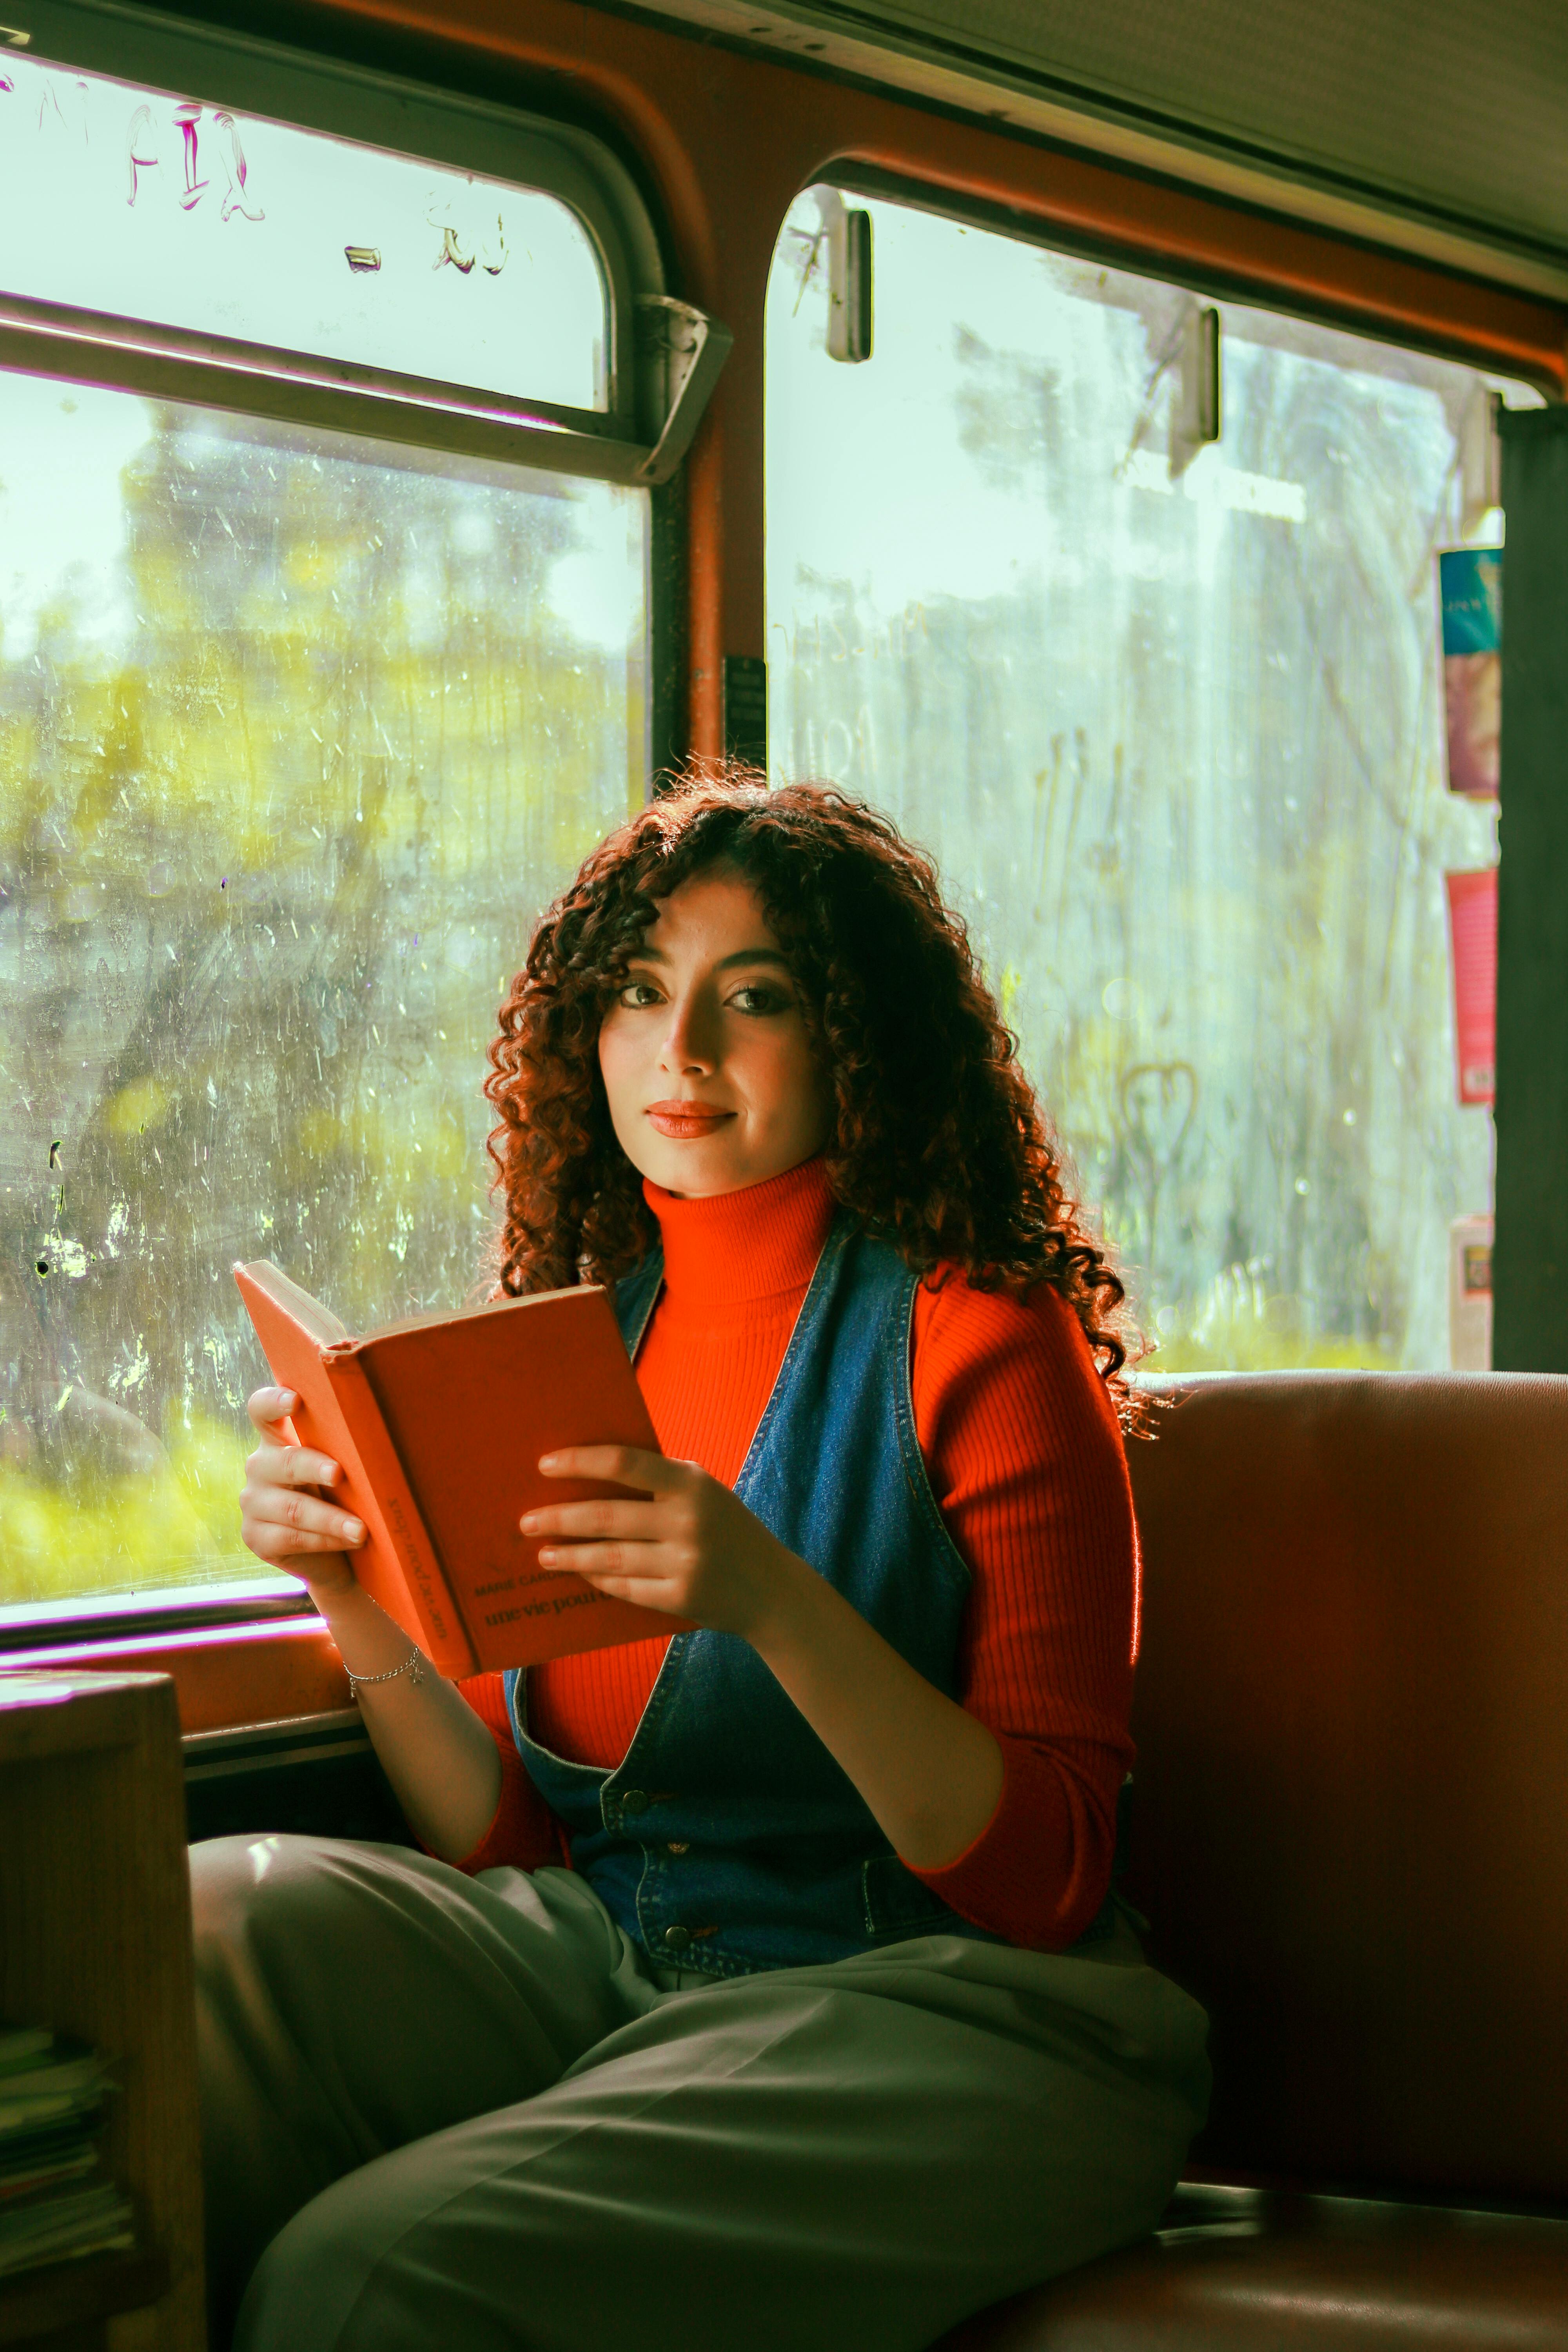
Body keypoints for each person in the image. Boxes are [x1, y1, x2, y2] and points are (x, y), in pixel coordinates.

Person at [194, 775, 1209, 2352]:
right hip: (617, 1959)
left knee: (359, 2285)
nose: (682, 1055)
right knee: (204, 1930)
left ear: (855, 1035)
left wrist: (771, 1599)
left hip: (953, 2015)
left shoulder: (980, 1342)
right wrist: (346, 1586)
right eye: (638, 996)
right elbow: (518, 1841)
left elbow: (1046, 1876)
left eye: (756, 999)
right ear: (579, 1038)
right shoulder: (580, 1348)